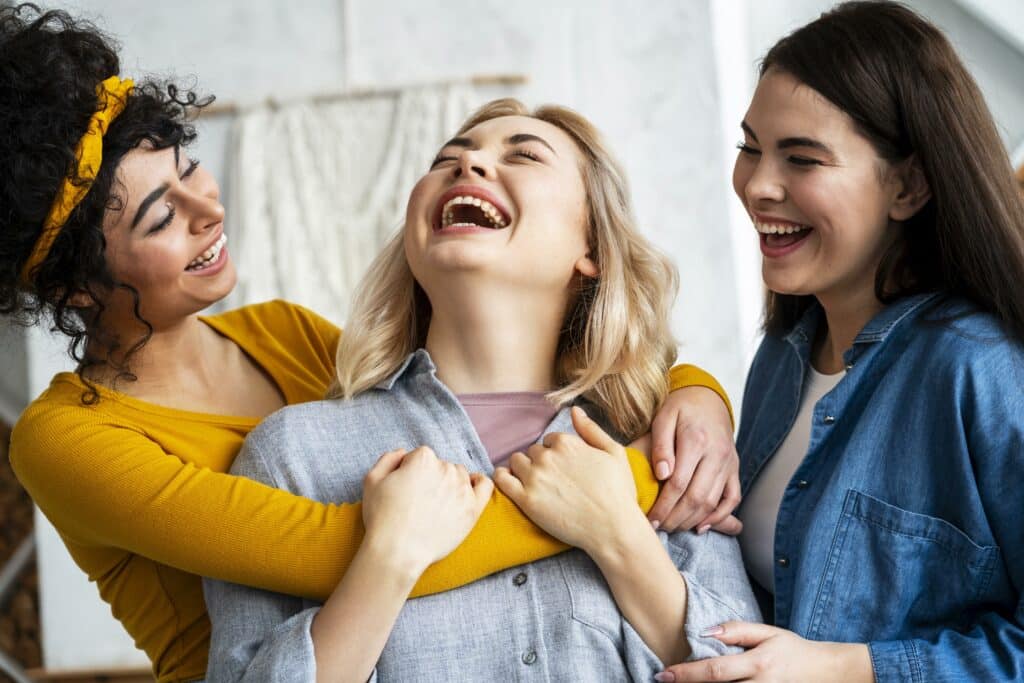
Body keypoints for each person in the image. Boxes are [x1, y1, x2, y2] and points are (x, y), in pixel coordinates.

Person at [0, 5, 740, 681]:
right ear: (76, 287)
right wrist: (632, 494)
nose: (208, 209)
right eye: (161, 218)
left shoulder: (282, 333)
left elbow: (426, 364)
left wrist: (696, 391)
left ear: (593, 248)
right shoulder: (68, 439)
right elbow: (329, 548)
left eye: (190, 167)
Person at [203, 97, 759, 681]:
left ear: (591, 248)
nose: (467, 168)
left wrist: (619, 537)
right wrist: (387, 561)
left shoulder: (665, 445)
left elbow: (754, 670)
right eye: (447, 159)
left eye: (523, 156)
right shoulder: (296, 453)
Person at [659, 2, 1024, 681]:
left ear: (908, 185)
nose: (757, 185)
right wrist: (697, 392)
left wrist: (851, 667)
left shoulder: (980, 368)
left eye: (802, 158)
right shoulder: (784, 354)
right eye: (750, 148)